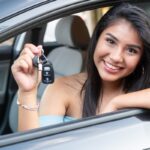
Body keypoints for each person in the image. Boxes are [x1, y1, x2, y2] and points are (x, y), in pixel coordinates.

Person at [11, 3, 150, 131]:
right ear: (96, 39)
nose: (116, 57)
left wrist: (117, 102)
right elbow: (36, 146)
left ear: (141, 58)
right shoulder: (63, 88)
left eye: (131, 50)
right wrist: (27, 92)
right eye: (110, 41)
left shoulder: (142, 89)